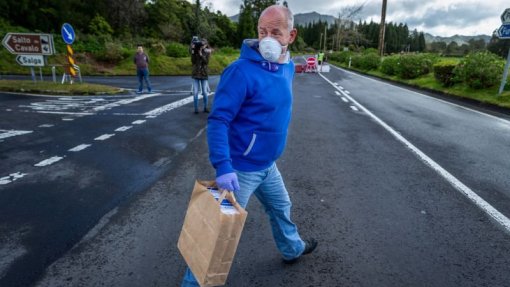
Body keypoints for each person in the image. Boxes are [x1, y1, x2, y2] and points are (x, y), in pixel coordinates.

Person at [181, 5, 317, 287]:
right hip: (240, 172)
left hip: (268, 165)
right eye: (262, 31)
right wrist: (223, 165)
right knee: (218, 233)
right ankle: (192, 284)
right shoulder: (239, 72)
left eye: (275, 32)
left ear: (290, 35)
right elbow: (219, 120)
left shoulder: (287, 67)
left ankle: (292, 249)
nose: (266, 38)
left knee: (281, 208)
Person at [190, 37, 211, 114]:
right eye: (201, 44)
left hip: (204, 74)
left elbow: (206, 62)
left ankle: (205, 107)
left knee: (205, 92)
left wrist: (201, 55)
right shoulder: (195, 51)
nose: (202, 45)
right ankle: (196, 109)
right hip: (196, 73)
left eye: (204, 44)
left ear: (206, 45)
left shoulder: (208, 52)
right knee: (195, 92)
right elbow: (192, 61)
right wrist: (193, 51)